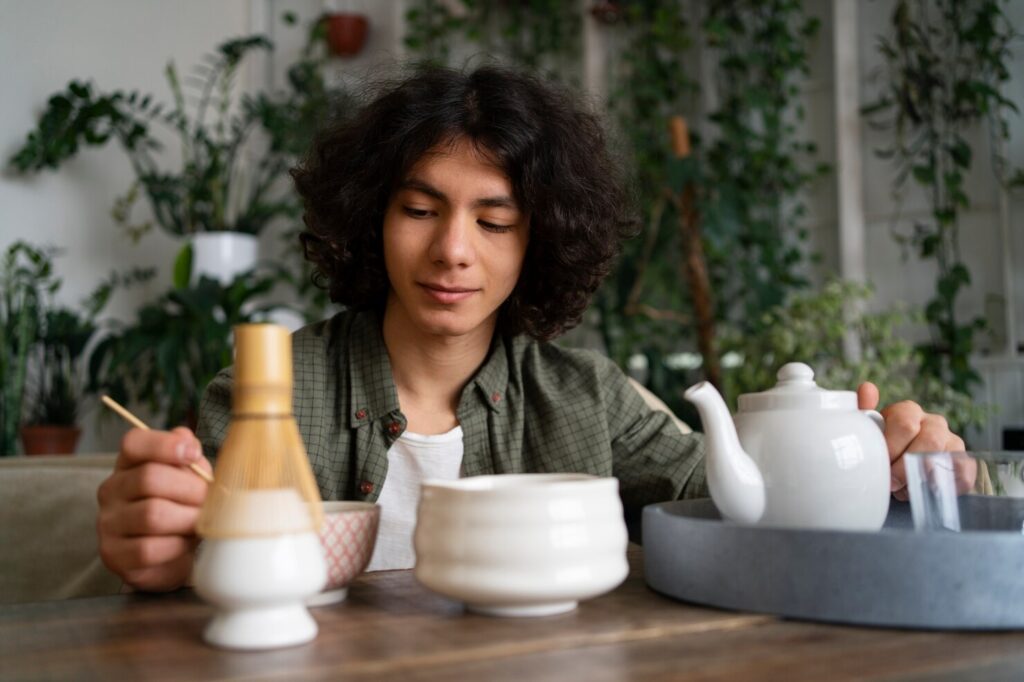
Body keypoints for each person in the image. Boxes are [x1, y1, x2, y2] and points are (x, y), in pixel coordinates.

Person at [97, 65, 970, 590]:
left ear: (538, 240)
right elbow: (195, 558)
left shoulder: (588, 398)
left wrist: (880, 469)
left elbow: (742, 510)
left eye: (494, 220)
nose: (452, 252)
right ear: (371, 218)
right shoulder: (269, 390)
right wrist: (170, 549)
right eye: (418, 208)